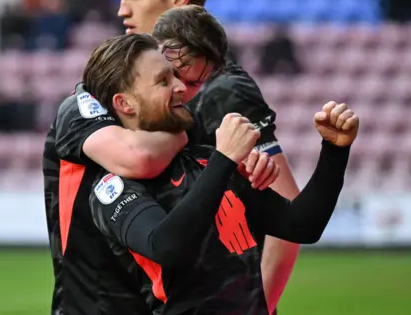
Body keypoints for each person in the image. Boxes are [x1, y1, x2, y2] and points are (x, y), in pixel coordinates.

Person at [85, 33, 358, 314]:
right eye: (163, 81)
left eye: (175, 76)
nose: (180, 87)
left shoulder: (206, 160)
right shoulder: (112, 186)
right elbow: (165, 247)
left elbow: (302, 226)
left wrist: (334, 151)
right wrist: (224, 158)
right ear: (125, 104)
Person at [117, 0, 302, 311]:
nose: (123, 9)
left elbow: (287, 218)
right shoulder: (154, 90)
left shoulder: (221, 88)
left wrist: (254, 309)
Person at [43, 42, 276, 313]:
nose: (123, 8)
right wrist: (211, 148)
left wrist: (247, 164)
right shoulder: (81, 104)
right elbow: (138, 157)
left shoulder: (178, 113)